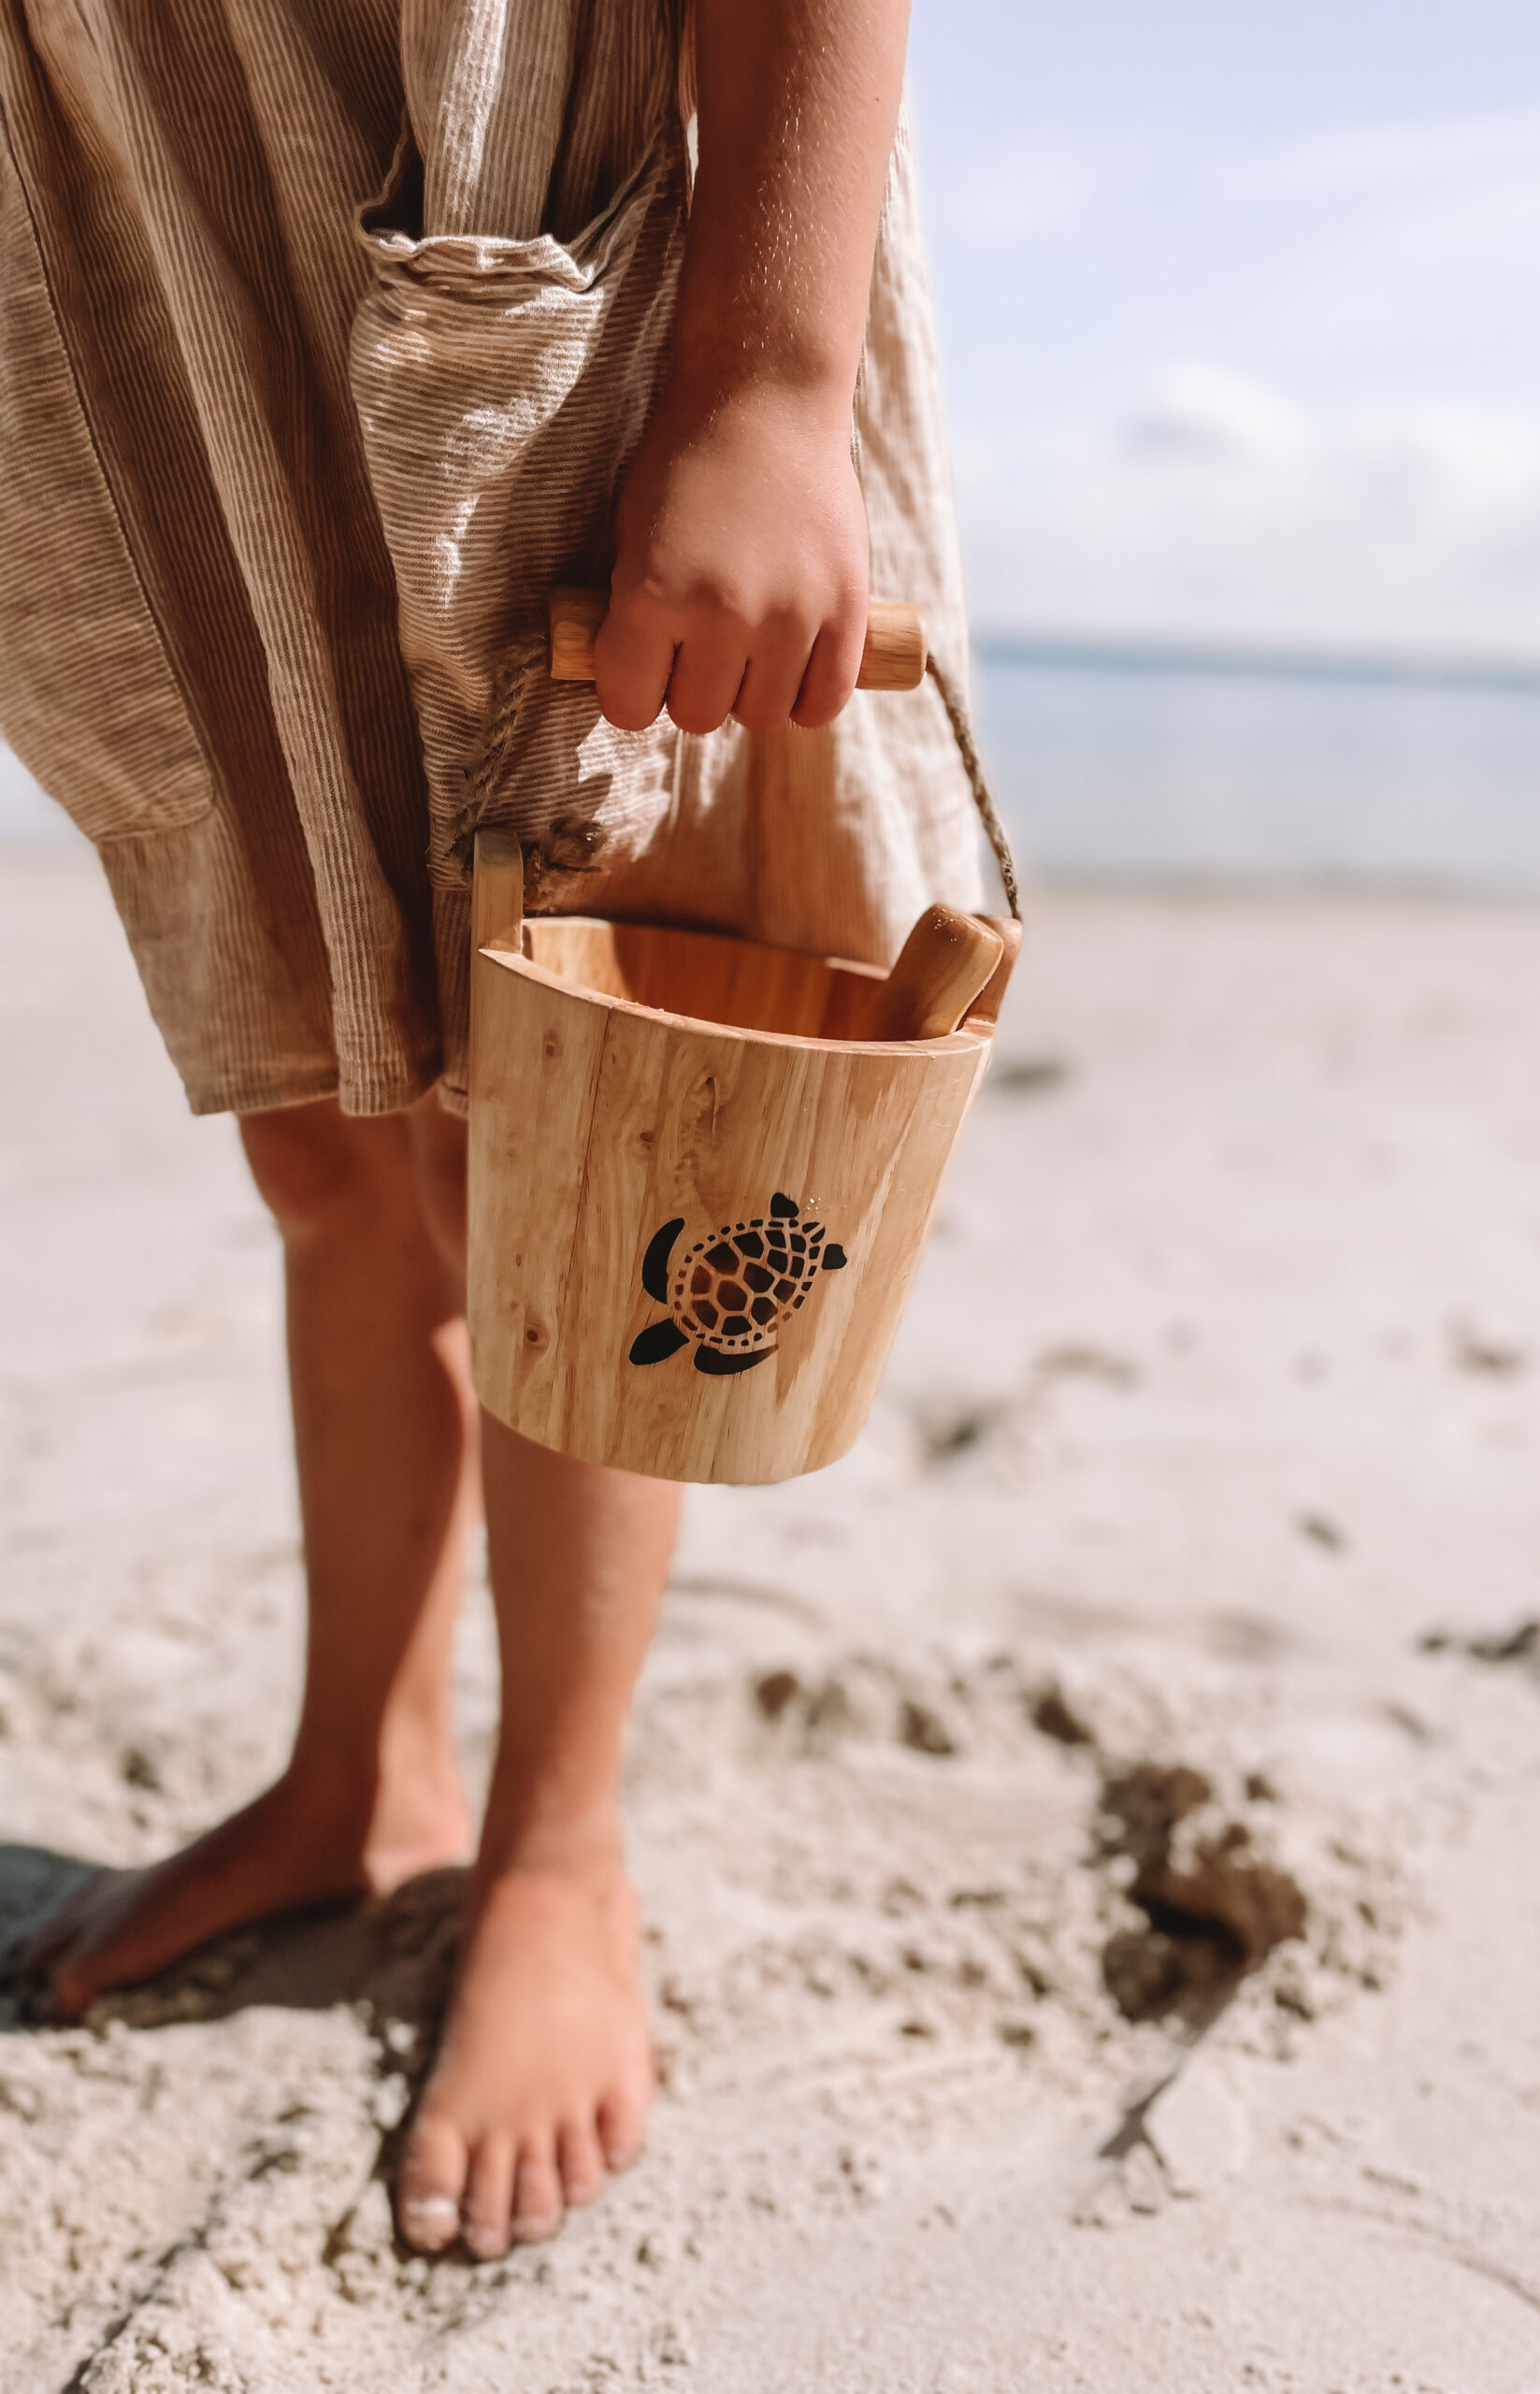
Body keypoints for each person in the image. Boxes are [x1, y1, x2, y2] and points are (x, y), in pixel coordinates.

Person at [0, 0, 979, 2262]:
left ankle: (556, 1842)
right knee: (324, 1118)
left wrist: (771, 371)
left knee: (566, 1132)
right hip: (137, 206)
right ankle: (361, 1773)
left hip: (497, 145)